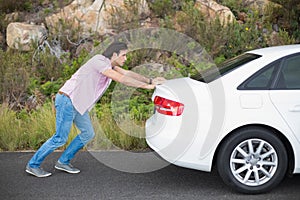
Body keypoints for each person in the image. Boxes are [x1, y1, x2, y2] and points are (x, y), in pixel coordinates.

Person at [26, 42, 166, 177]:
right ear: (115, 54)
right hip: (67, 100)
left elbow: (127, 74)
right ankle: (33, 165)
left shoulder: (110, 65)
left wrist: (150, 80)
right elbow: (121, 79)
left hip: (78, 105)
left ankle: (63, 162)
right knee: (60, 138)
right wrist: (145, 87)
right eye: (123, 55)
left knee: (88, 133)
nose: (125, 58)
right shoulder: (99, 61)